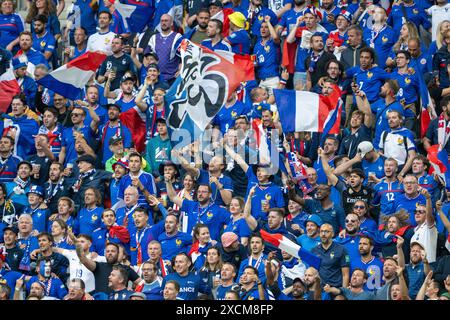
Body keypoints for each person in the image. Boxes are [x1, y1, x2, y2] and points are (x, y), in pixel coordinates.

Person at [76, 242, 141, 299]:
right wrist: (76, 243)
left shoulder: (126, 268)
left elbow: (142, 283)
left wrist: (133, 292)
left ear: (118, 253)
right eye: (107, 251)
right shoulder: (98, 266)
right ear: (105, 254)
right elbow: (83, 259)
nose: (110, 253)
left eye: (113, 251)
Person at [311, 223, 350, 295]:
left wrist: (344, 293)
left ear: (332, 234)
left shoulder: (341, 250)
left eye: (326, 231)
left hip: (336, 289)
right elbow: (313, 271)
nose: (323, 234)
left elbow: (345, 274)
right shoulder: (314, 251)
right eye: (321, 231)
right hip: (320, 289)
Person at [145, 14, 182, 83]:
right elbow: (146, 56)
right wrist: (147, 70)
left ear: (171, 23)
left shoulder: (178, 37)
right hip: (156, 78)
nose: (163, 23)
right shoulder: (154, 37)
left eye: (166, 21)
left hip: (172, 78)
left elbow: (183, 56)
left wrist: (180, 70)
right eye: (162, 21)